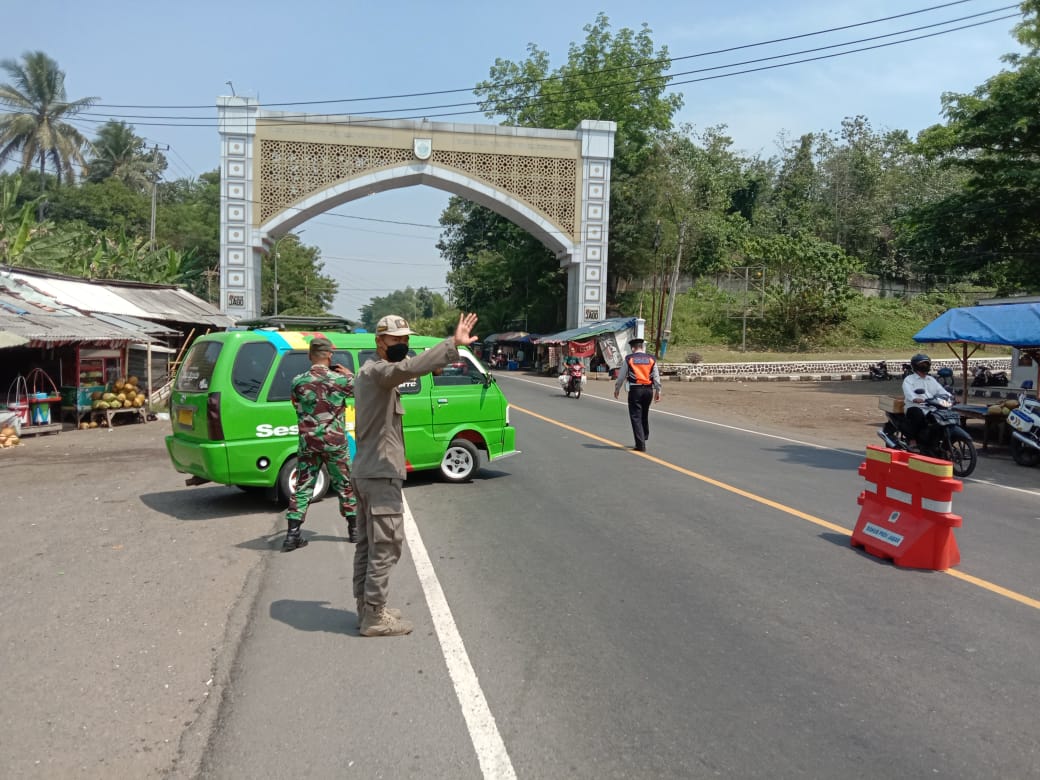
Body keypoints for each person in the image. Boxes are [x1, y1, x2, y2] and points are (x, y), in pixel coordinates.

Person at [352, 312, 479, 637]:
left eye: (406, 340)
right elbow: (405, 369)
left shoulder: (373, 371)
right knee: (386, 545)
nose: (402, 345)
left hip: (369, 471)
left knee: (368, 545)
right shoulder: (380, 372)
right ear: (379, 342)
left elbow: (409, 367)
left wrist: (432, 362)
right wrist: (452, 345)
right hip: (379, 473)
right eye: (396, 340)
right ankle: (374, 617)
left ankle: (367, 608)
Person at [282, 337, 357, 552]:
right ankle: (354, 531)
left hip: (309, 443)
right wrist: (349, 374)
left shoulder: (298, 381)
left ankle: (292, 535)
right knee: (345, 484)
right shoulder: (340, 380)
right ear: (330, 355)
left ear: (309, 355)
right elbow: (359, 389)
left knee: (303, 486)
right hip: (335, 443)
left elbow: (295, 404)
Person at [614, 337, 661, 451]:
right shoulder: (651, 359)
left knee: (636, 416)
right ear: (642, 347)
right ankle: (643, 437)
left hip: (636, 390)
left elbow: (621, 376)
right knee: (644, 414)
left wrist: (617, 389)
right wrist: (658, 391)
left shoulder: (629, 359)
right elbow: (656, 377)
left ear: (633, 348)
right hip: (648, 391)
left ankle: (640, 445)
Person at [902, 352, 947, 450]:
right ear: (915, 366)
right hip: (914, 406)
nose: (925, 366)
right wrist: (915, 398)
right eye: (922, 364)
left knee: (941, 418)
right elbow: (908, 393)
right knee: (917, 415)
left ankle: (934, 442)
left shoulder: (931, 379)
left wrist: (950, 397)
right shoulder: (909, 380)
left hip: (930, 406)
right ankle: (912, 440)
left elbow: (941, 390)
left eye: (927, 364)